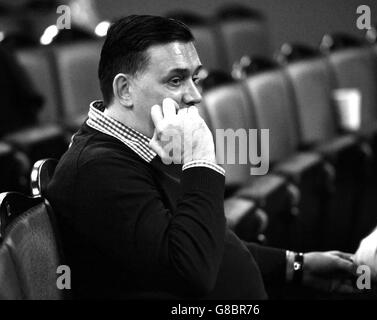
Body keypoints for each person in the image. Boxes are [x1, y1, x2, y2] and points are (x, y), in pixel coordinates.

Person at [47, 14, 356, 299]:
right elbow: (190, 273)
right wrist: (200, 158)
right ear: (125, 90)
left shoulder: (139, 148)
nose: (195, 95)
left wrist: (295, 265)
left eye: (195, 78)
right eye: (176, 80)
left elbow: (199, 239)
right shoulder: (97, 169)